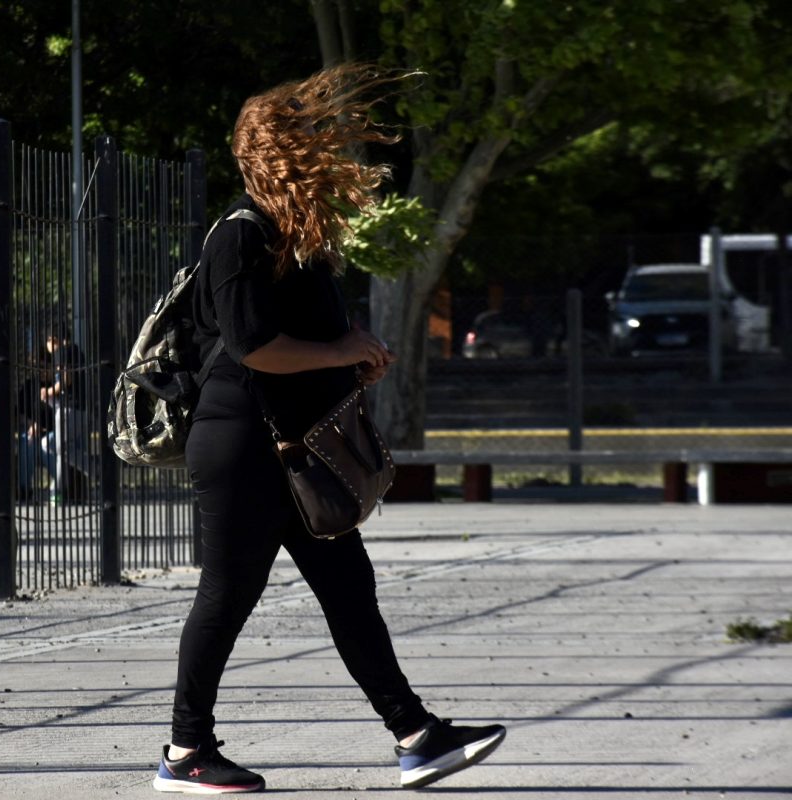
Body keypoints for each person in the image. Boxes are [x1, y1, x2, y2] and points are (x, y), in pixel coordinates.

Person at [152, 65, 506, 794]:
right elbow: (255, 347)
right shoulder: (241, 235)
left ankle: (416, 735)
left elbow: (308, 340)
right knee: (228, 592)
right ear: (280, 155)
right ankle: (186, 752)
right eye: (309, 143)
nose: (325, 156)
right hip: (244, 442)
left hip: (294, 443)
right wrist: (340, 351)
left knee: (349, 587)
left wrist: (356, 356)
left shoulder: (294, 240)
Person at [39, 327, 91, 504]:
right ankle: (66, 490)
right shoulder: (78, 352)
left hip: (69, 410)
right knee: (52, 445)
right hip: (81, 410)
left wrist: (48, 391)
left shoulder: (62, 352)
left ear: (53, 339)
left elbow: (66, 379)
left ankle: (58, 491)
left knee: (61, 450)